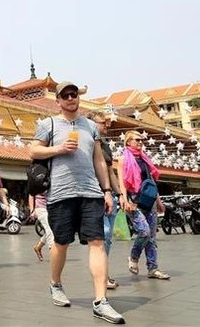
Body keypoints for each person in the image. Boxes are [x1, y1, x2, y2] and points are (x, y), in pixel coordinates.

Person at [29, 81, 124, 324]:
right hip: (61, 193)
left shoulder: (90, 126)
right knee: (61, 243)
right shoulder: (47, 124)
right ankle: (55, 284)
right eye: (66, 95)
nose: (71, 98)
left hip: (91, 191)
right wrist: (59, 148)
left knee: (97, 242)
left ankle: (101, 301)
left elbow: (99, 161)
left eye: (74, 94)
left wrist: (107, 190)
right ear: (58, 101)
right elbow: (33, 151)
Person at [118, 130, 169, 280]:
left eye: (141, 140)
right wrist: (124, 198)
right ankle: (133, 257)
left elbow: (151, 182)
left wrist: (158, 201)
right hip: (134, 201)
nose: (140, 142)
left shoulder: (145, 160)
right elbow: (122, 181)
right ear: (128, 142)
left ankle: (153, 268)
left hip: (150, 201)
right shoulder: (123, 159)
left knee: (152, 237)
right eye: (136, 140)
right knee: (144, 232)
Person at [88, 111, 126, 289]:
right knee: (102, 234)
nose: (106, 125)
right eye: (102, 122)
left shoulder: (105, 145)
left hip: (109, 194)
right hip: (94, 194)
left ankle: (104, 273)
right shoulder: (86, 143)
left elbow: (110, 171)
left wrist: (119, 193)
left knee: (108, 236)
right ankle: (101, 277)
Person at [29, 193, 54, 261]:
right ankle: (52, 251)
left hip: (51, 208)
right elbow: (31, 195)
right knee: (49, 229)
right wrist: (32, 210)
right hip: (40, 208)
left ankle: (38, 247)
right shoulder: (37, 182)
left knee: (52, 229)